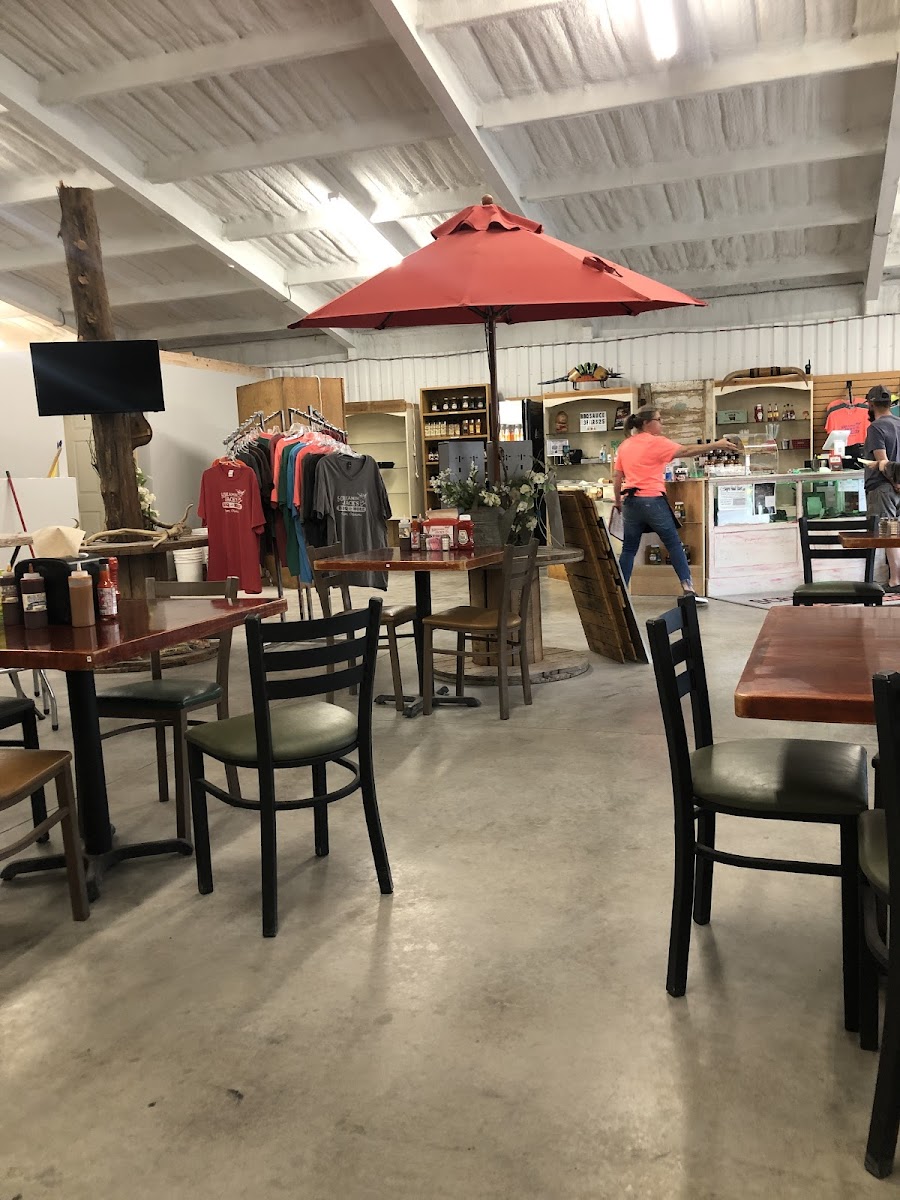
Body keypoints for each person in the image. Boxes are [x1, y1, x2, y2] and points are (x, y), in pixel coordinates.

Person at [613, 408, 734, 604]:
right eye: (659, 420)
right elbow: (686, 451)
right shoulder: (657, 442)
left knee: (628, 549)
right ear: (646, 423)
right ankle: (688, 589)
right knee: (673, 543)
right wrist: (717, 444)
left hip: (630, 502)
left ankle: (621, 594)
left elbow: (617, 477)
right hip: (652, 500)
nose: (662, 424)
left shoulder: (625, 445)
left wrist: (618, 502)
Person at [864, 386, 900, 591]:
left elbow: (883, 461)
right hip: (898, 485)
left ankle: (895, 579)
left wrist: (894, 481)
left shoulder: (876, 428)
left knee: (889, 532)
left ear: (870, 404)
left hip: (884, 486)